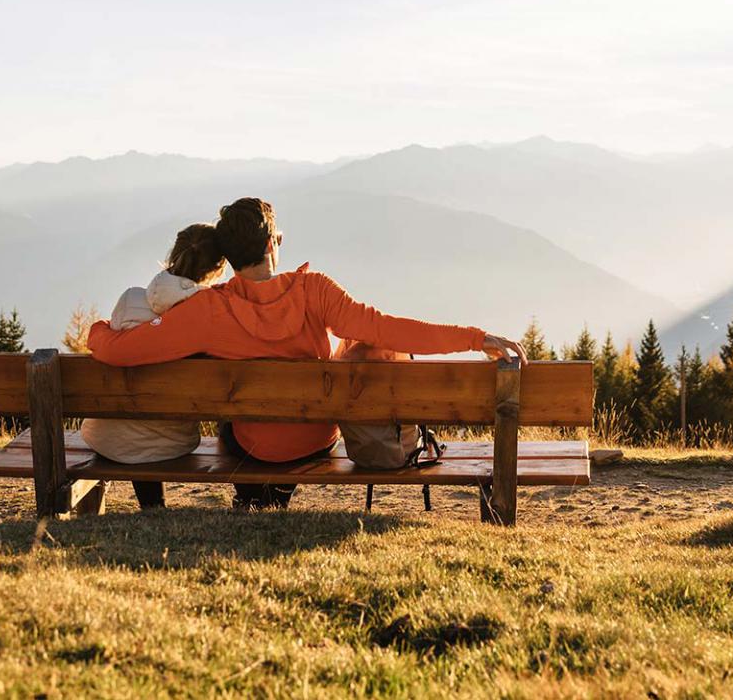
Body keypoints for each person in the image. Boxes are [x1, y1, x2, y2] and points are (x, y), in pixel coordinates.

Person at [86, 196, 522, 509]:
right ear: (274, 243)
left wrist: (97, 330)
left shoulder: (209, 309)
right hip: (315, 440)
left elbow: (124, 352)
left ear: (230, 258)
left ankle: (257, 496)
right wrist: (474, 338)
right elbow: (389, 329)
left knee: (235, 420)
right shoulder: (315, 291)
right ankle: (267, 496)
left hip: (253, 446)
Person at [78, 223, 229, 509]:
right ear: (218, 268)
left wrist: (99, 329)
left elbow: (110, 345)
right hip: (173, 442)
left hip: (107, 438)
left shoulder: (130, 299)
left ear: (174, 253)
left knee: (138, 421)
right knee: (153, 430)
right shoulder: (213, 315)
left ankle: (151, 507)